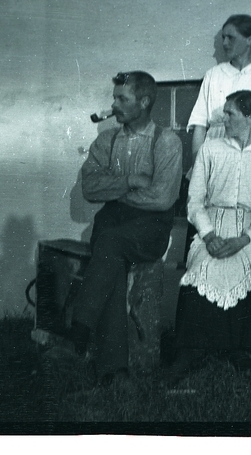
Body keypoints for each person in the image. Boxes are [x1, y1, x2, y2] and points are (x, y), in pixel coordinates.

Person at [66, 71, 183, 386]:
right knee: (110, 257)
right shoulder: (106, 140)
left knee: (109, 244)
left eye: (122, 99)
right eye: (114, 98)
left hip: (149, 232)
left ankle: (79, 332)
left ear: (143, 102)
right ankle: (116, 371)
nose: (114, 105)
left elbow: (162, 198)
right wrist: (130, 181)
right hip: (112, 228)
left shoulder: (166, 141)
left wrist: (116, 192)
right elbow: (90, 188)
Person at [165, 90, 251, 383]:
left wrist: (244, 239)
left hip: (248, 232)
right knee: (201, 269)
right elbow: (195, 201)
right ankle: (190, 351)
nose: (222, 118)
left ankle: (244, 351)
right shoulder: (211, 150)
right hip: (211, 225)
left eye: (230, 113)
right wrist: (209, 235)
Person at [187, 14, 251, 158]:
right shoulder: (214, 74)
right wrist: (197, 161)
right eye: (223, 38)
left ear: (249, 39)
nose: (225, 43)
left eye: (231, 38)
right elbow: (200, 123)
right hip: (217, 145)